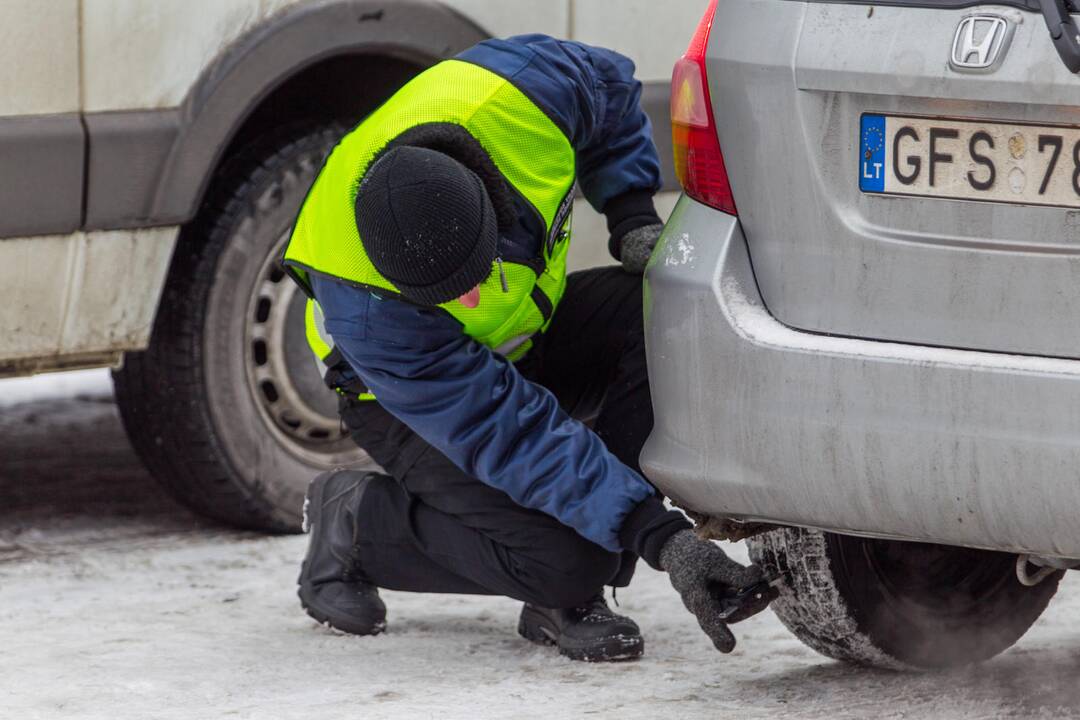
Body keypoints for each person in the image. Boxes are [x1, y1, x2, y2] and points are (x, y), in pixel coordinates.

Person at [283, 34, 772, 662]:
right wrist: (659, 536)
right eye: (440, 297)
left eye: (470, 277)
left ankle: (600, 515)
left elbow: (611, 89)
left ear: (488, 203)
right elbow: (503, 428)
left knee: (668, 313)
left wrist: (629, 216)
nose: (465, 303)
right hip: (398, 401)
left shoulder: (520, 91)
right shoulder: (369, 308)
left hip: (526, 338)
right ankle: (355, 523)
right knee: (572, 561)